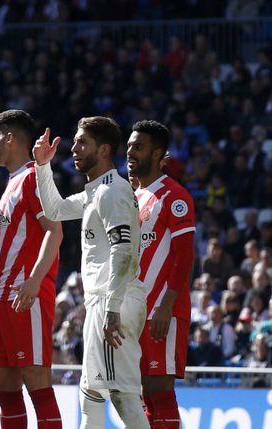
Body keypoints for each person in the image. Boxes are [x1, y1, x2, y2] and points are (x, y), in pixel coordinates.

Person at [33, 117, 148, 429]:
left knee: (122, 397)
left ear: (105, 149)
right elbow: (54, 210)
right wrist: (42, 167)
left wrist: (112, 310)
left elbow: (122, 252)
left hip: (115, 303)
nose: (74, 149)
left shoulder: (112, 192)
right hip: (103, 303)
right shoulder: (95, 193)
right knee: (91, 396)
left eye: (82, 142)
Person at [0, 109, 63, 429]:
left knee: (37, 382)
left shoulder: (34, 177)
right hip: (6, 296)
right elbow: (14, 235)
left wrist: (33, 282)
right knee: (4, 384)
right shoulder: (13, 182)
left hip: (26, 293)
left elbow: (55, 231)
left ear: (9, 138)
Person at [126, 120, 196, 429]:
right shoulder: (136, 196)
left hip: (161, 311)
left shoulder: (175, 196)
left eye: (138, 147)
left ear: (157, 154)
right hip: (138, 311)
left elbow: (184, 257)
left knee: (160, 389)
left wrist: (167, 305)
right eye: (129, 146)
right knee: (144, 390)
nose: (130, 152)